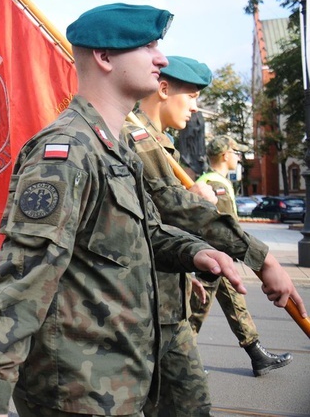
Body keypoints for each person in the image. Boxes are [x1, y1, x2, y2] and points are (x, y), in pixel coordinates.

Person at [0, 3, 273, 417]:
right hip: (73, 388)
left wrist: (193, 251)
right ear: (104, 57)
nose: (161, 58)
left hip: (115, 378)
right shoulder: (67, 151)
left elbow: (145, 234)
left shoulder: (116, 149)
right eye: (147, 46)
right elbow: (22, 276)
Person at [121, 56, 304, 415]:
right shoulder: (137, 136)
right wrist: (262, 258)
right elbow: (172, 208)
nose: (194, 108)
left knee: (190, 406)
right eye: (191, 96)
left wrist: (186, 269)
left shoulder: (161, 143)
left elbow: (158, 223)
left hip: (166, 299)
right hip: (141, 307)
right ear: (163, 89)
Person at [190, 135, 292, 376]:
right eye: (235, 153)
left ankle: (256, 354)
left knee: (235, 305)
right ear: (225, 156)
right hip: (215, 258)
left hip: (215, 258)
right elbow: (225, 228)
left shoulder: (210, 179)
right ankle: (176, 359)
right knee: (193, 312)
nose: (238, 157)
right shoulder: (217, 184)